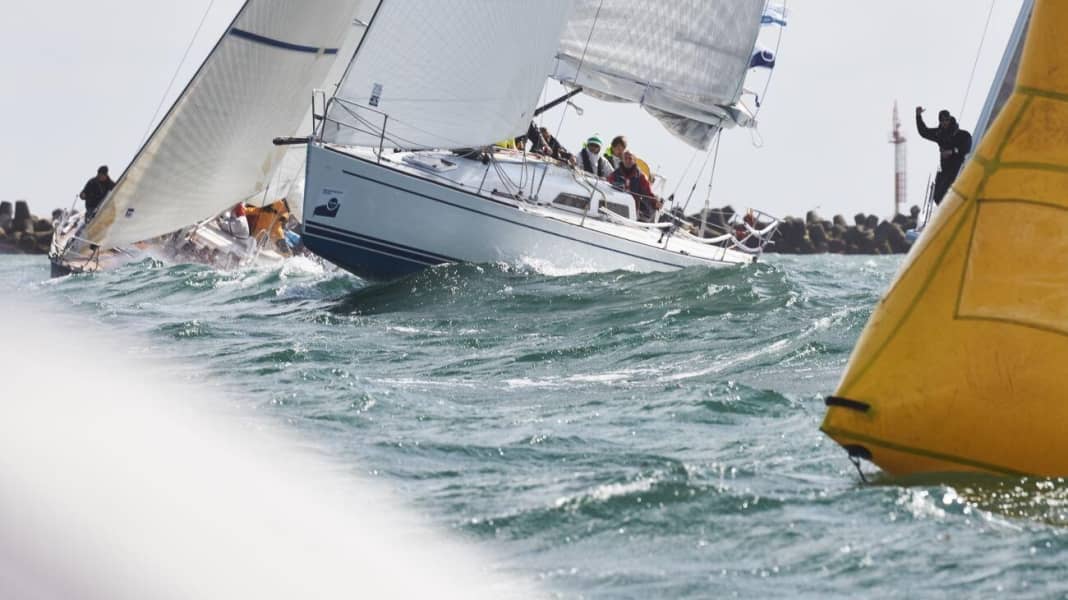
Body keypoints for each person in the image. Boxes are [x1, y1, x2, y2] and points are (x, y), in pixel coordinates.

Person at [916, 107, 972, 204]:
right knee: (938, 197)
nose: (945, 122)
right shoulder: (939, 134)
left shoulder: (962, 134)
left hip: (956, 167)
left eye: (946, 120)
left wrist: (952, 151)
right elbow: (924, 132)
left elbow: (966, 147)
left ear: (950, 119)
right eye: (942, 120)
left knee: (950, 190)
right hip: (945, 169)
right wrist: (918, 116)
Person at [609, 150, 659, 222]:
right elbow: (608, 182)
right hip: (614, 206)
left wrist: (655, 203)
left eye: (630, 158)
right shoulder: (615, 174)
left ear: (634, 160)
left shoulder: (641, 177)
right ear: (622, 160)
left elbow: (648, 193)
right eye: (625, 158)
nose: (627, 161)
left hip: (632, 211)